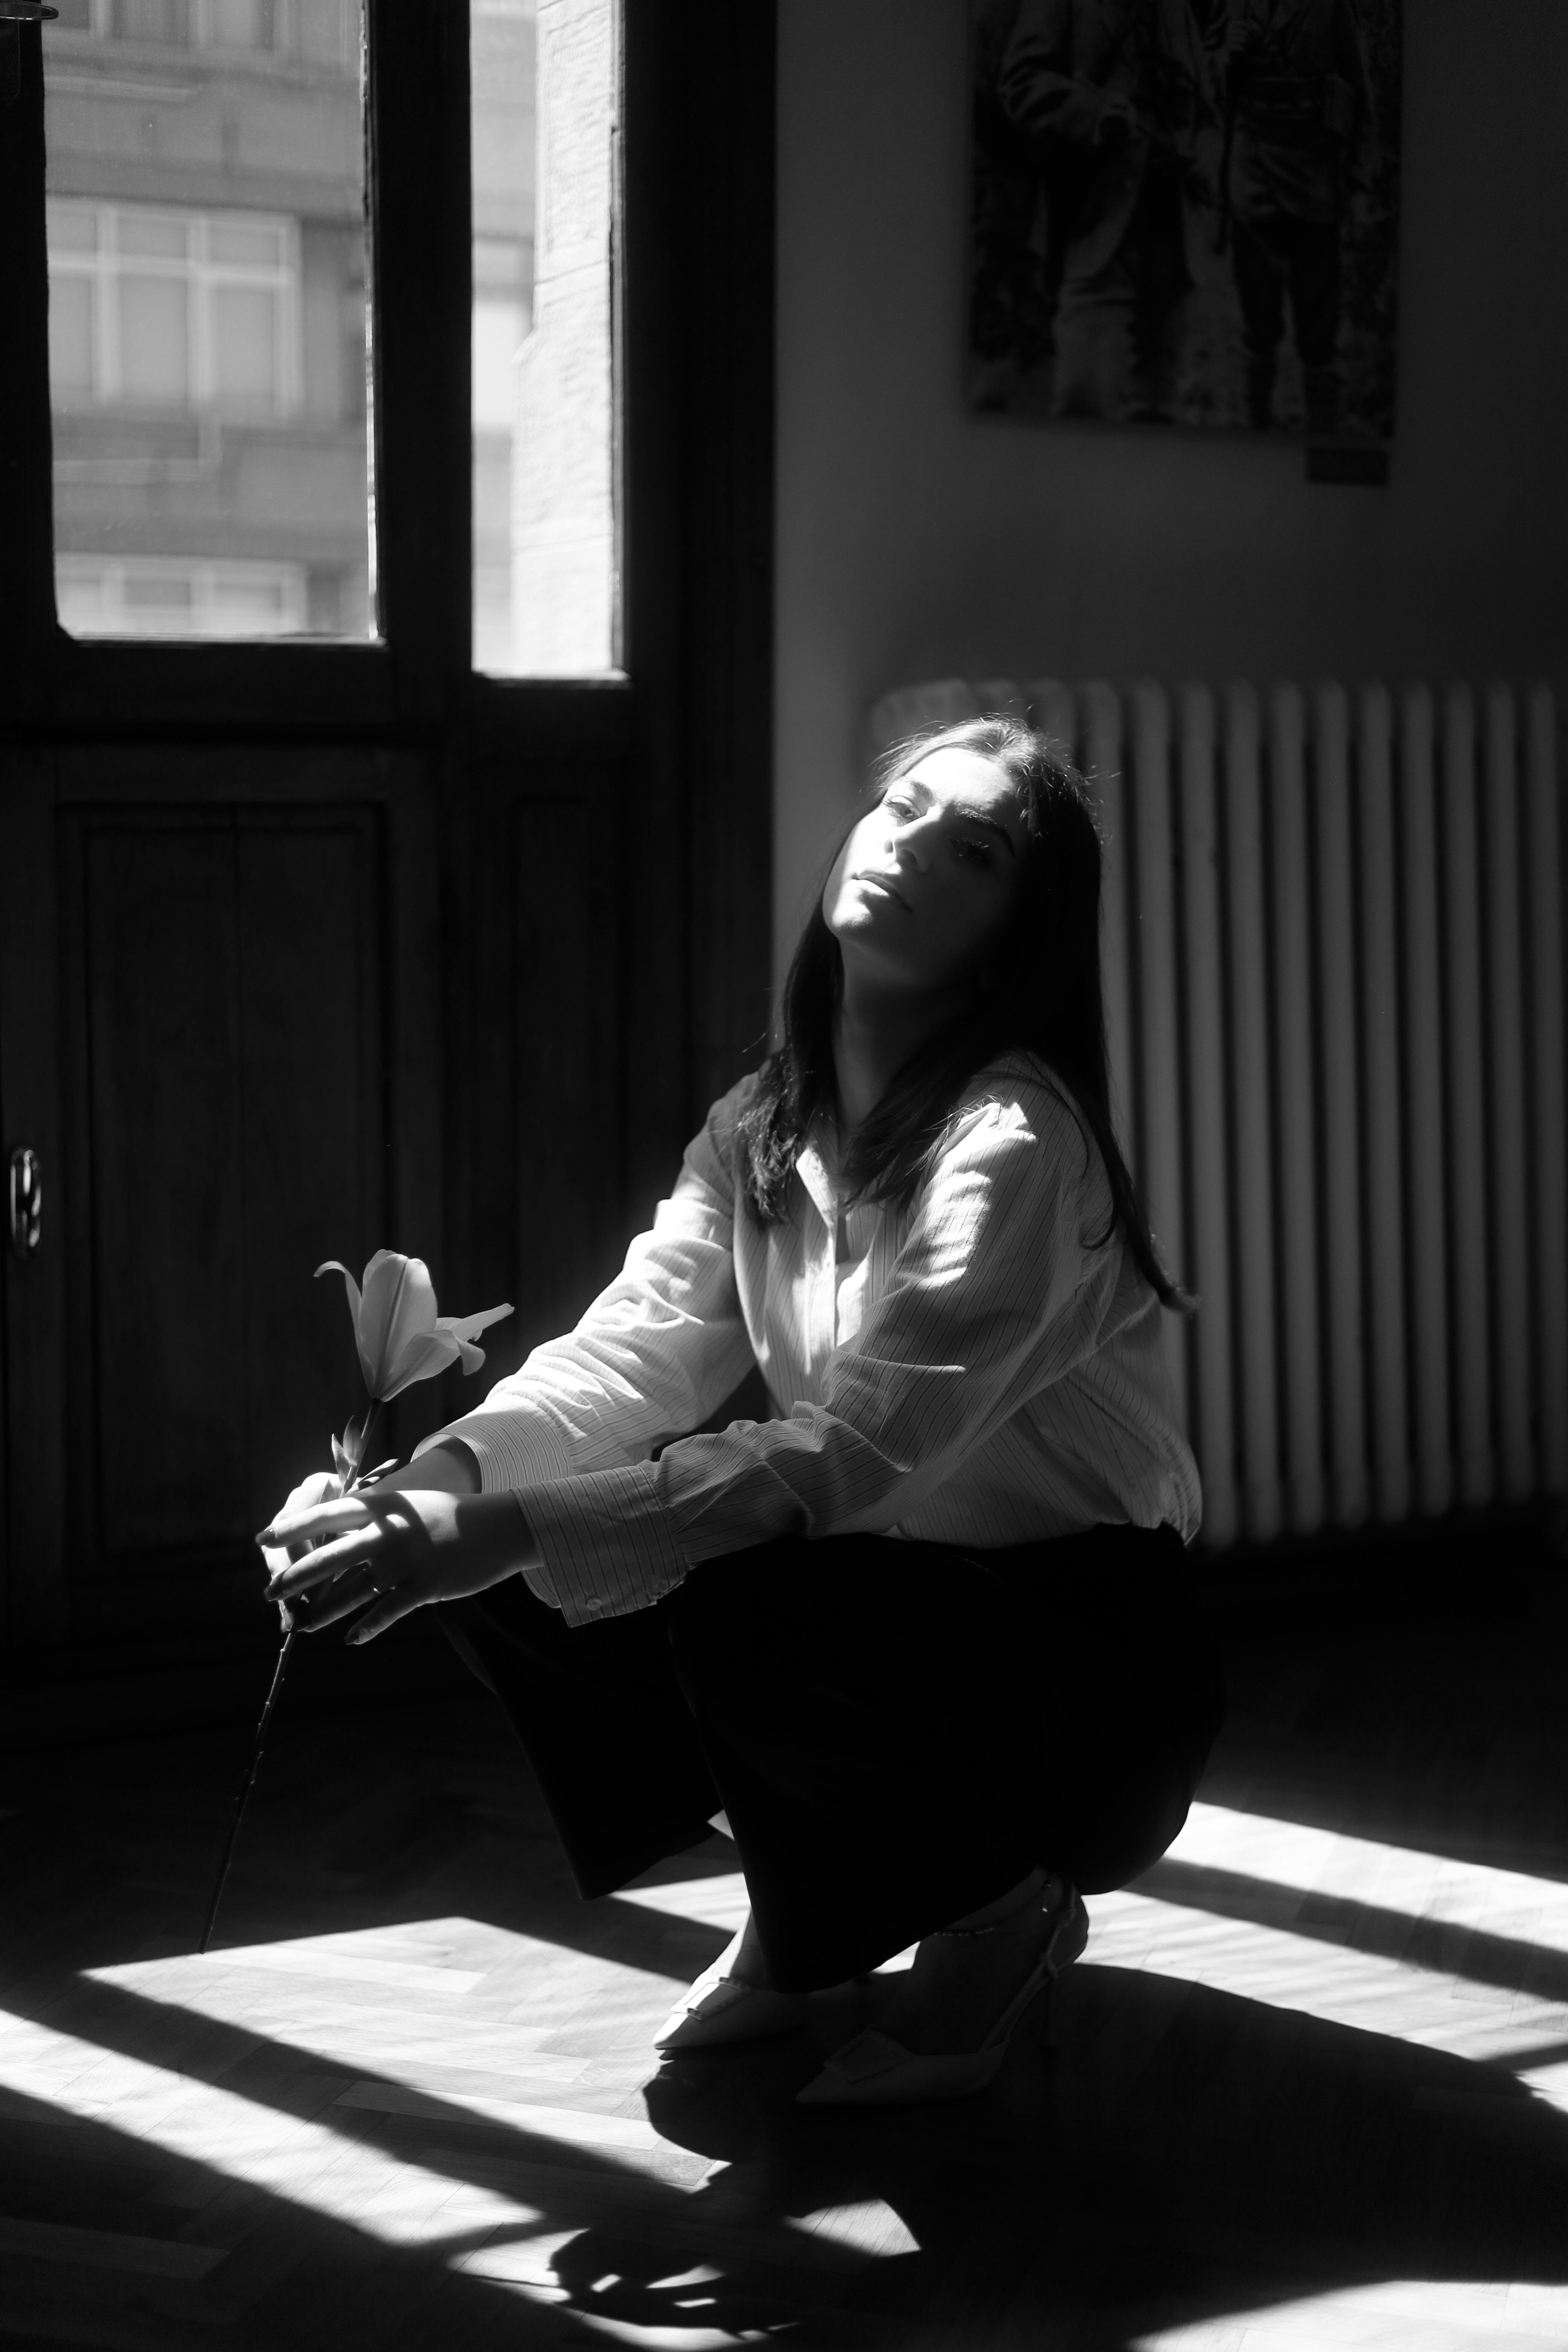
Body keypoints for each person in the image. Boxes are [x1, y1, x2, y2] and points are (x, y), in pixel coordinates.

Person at [260, 718, 1223, 2109]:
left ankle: (995, 1909)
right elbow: (631, 1357)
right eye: (901, 806)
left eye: (974, 849)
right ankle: (816, 1902)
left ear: (1023, 929)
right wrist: (421, 1500)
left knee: (733, 1594)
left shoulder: (1016, 1142)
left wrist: (497, 1526)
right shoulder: (762, 1124)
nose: (910, 845)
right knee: (518, 1563)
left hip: (1088, 1669)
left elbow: (856, 1458)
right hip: (901, 1607)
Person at [997, 0, 1216, 422]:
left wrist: (1206, 145)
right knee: (1086, 407)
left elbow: (1205, 105)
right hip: (1095, 222)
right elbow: (1020, 81)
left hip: (1174, 243)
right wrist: (1093, 111)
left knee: (1162, 423)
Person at [1209, 0, 1377, 432]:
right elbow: (1208, 86)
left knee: (1317, 333)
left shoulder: (1331, 8)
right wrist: (1225, 55)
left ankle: (1322, 437)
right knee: (1257, 325)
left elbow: (1360, 93)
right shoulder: (1236, 5)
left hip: (1312, 182)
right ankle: (1253, 432)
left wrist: (1358, 181)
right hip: (1251, 182)